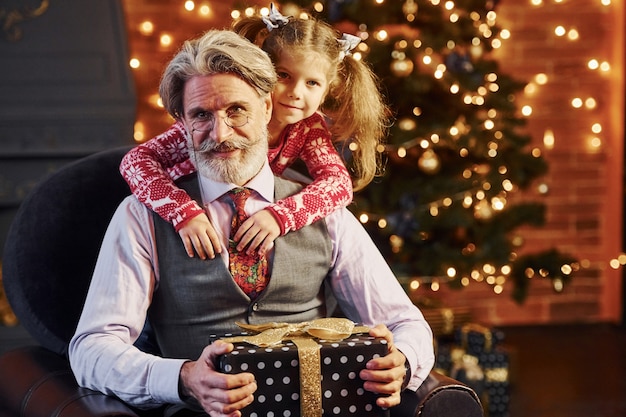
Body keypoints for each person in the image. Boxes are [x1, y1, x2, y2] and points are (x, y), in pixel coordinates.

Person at [69, 29, 434, 416]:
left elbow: (405, 322)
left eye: (236, 110)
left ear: (266, 107)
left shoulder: (322, 209)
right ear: (182, 120)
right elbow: (92, 349)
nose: (220, 134)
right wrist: (184, 377)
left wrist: (403, 363)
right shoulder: (141, 215)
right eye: (201, 116)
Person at [119, 4, 389, 260]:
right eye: (283, 76)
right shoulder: (209, 122)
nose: (296, 92)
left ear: (327, 89)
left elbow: (338, 184)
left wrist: (281, 216)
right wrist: (183, 212)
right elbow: (135, 161)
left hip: (248, 215)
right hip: (194, 218)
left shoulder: (308, 127)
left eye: (312, 83)